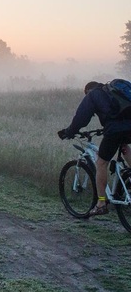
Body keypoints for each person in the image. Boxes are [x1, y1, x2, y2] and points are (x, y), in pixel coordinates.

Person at [58, 81, 131, 216]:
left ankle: (101, 203)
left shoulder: (93, 95)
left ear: (87, 91)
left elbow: (81, 119)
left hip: (115, 130)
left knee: (101, 163)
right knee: (123, 144)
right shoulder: (115, 91)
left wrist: (69, 132)